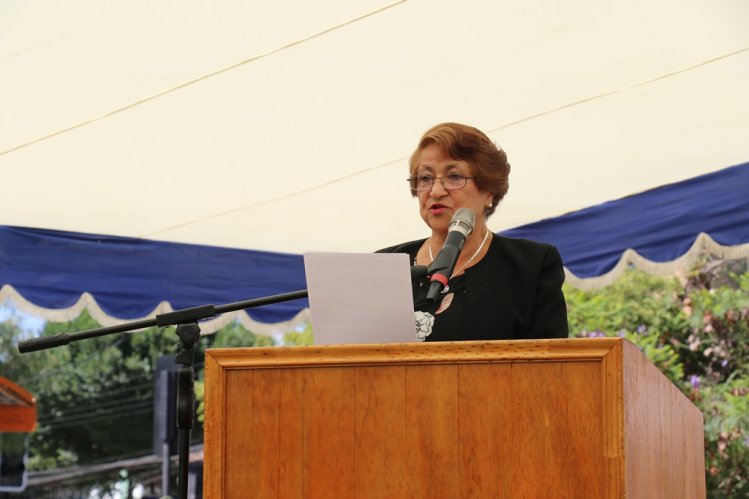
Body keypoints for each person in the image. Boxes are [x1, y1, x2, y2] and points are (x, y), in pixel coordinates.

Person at [377, 122, 568, 341]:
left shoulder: (531, 266)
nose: (436, 191)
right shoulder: (385, 266)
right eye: (426, 178)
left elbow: (552, 365)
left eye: (454, 177)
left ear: (490, 192)